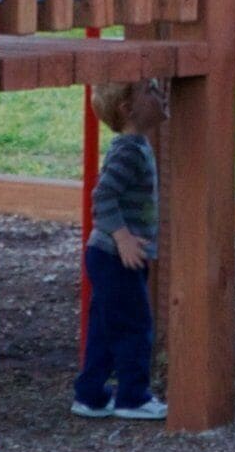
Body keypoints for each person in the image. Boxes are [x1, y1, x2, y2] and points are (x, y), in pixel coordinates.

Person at [71, 78, 169, 421]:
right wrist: (124, 238)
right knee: (134, 325)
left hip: (110, 257)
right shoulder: (129, 149)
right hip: (116, 256)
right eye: (151, 91)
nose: (161, 95)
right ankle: (132, 396)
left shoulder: (134, 144)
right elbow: (102, 196)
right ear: (128, 110)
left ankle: (91, 395)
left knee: (105, 326)